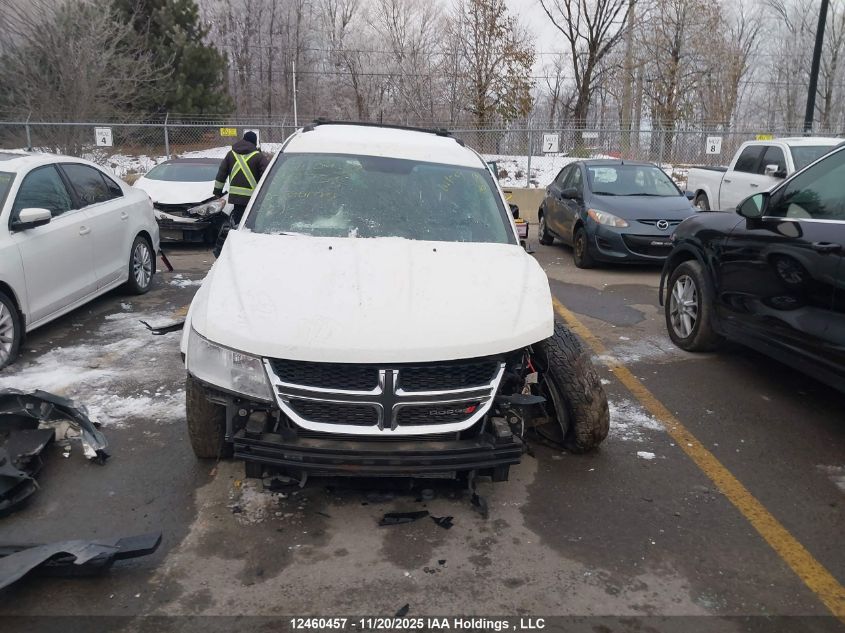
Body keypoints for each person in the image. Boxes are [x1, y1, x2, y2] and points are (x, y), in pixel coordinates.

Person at [212, 131, 270, 257]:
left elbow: (221, 174)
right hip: (253, 201)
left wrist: (217, 192)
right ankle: (250, 251)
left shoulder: (231, 154)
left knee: (238, 225)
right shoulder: (258, 157)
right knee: (251, 226)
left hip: (237, 200)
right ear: (254, 142)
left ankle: (236, 252)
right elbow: (266, 177)